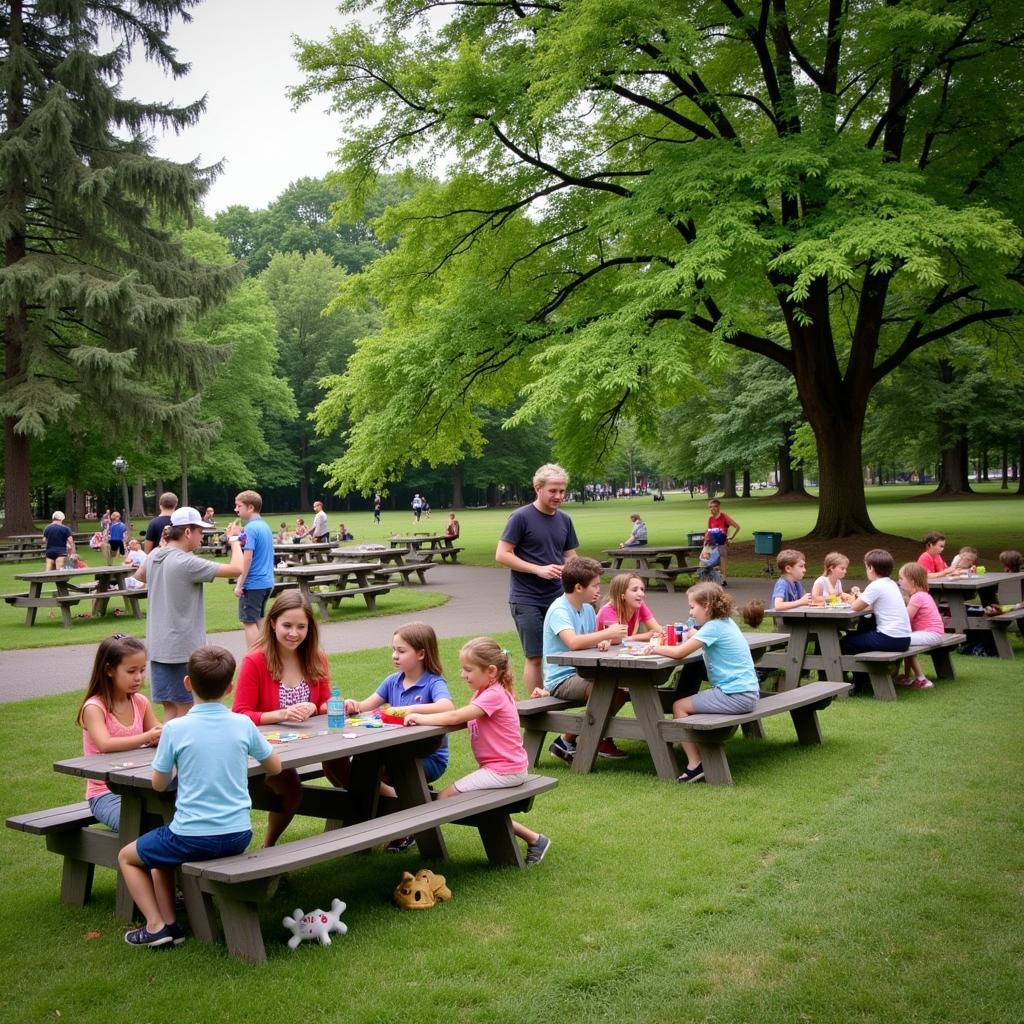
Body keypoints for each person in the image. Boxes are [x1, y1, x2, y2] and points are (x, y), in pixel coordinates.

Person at [117, 645, 281, 948]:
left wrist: (181, 767)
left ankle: (155, 925)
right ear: (230, 687)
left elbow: (157, 783)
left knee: (127, 856)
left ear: (188, 683)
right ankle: (169, 925)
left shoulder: (175, 729)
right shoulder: (242, 724)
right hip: (238, 834)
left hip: (191, 837)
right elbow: (275, 765)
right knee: (158, 852)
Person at [404, 638, 551, 865]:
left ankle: (427, 848)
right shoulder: (485, 692)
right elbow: (464, 719)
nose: (463, 675)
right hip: (503, 768)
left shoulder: (493, 695)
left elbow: (455, 716)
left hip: (505, 770)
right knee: (469, 804)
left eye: (468, 670)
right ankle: (535, 839)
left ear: (491, 671)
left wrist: (419, 718)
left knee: (444, 798)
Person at [233, 592, 344, 846]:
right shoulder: (255, 660)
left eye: (301, 627)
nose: (294, 633)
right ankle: (269, 847)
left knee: (344, 767)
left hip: (308, 743)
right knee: (292, 786)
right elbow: (240, 714)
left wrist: (336, 705)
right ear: (272, 624)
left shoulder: (316, 658)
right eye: (287, 625)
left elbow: (323, 702)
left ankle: (385, 820)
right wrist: (281, 714)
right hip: (264, 751)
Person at [344, 622, 455, 852]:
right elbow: (366, 706)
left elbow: (446, 705)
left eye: (401, 651)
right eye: (393, 650)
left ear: (422, 653)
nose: (395, 656)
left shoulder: (433, 682)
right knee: (360, 770)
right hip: (395, 752)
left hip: (428, 757)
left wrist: (408, 711)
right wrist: (353, 705)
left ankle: (405, 821)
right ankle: (398, 812)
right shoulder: (392, 681)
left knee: (370, 773)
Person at [641, 582, 761, 783]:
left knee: (679, 706)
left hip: (736, 696)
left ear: (706, 606)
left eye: (692, 607)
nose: (690, 612)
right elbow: (700, 637)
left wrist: (654, 649)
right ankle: (694, 756)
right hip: (748, 693)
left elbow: (680, 652)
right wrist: (692, 634)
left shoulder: (713, 627)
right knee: (687, 700)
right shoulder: (725, 622)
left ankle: (695, 764)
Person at [134, 507, 244, 720]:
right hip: (182, 649)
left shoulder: (157, 554)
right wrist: (234, 540)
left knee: (170, 709)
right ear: (187, 533)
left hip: (158, 646)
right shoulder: (186, 562)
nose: (202, 536)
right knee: (186, 710)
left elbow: (140, 575)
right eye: (200, 532)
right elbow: (237, 569)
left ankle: (171, 752)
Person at [495, 463, 580, 694]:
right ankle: (538, 710)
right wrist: (537, 569)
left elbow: (570, 556)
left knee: (559, 653)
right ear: (537, 488)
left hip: (557, 597)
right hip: (526, 598)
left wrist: (581, 576)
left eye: (562, 491)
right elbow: (502, 554)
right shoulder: (521, 517)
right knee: (534, 656)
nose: (558, 496)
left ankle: (556, 699)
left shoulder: (565, 520)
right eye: (553, 491)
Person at [542, 556, 630, 763]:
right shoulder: (559, 610)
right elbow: (573, 642)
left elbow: (587, 641)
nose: (599, 590)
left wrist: (602, 643)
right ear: (579, 587)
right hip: (562, 679)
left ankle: (577, 740)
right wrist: (606, 635)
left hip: (585, 672)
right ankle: (572, 740)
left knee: (620, 691)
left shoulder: (588, 609)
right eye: (595, 585)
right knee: (607, 692)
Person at [77, 634, 162, 831]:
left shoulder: (140, 702)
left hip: (141, 788)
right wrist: (147, 737)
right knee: (142, 828)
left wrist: (164, 734)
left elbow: (157, 731)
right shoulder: (94, 708)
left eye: (142, 670)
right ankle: (134, 860)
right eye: (131, 671)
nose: (139, 677)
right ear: (109, 670)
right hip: (105, 794)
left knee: (177, 819)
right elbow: (105, 744)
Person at [841, 549, 912, 689]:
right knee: (860, 636)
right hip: (904, 638)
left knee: (846, 642)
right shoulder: (891, 584)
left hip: (890, 638)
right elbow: (869, 605)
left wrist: (852, 599)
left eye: (866, 566)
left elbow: (856, 607)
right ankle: (862, 680)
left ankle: (856, 683)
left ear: (871, 568)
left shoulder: (876, 585)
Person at [234, 490, 275, 648]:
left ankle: (256, 657)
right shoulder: (264, 526)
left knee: (249, 622)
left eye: (239, 506)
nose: (236, 509)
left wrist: (239, 584)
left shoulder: (250, 529)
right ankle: (267, 655)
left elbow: (247, 557)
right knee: (259, 620)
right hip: (266, 582)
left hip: (253, 583)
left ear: (250, 507)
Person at [895, 562, 945, 689]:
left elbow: (905, 619)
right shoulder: (921, 595)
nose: (898, 581)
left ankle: (922, 680)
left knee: (902, 641)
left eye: (901, 578)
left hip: (931, 634)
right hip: (933, 633)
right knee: (906, 641)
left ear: (911, 581)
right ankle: (907, 676)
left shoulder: (917, 597)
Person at [596, 573, 662, 641]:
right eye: (634, 590)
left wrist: (632, 637)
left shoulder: (640, 605)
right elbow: (615, 640)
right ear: (622, 595)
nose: (641, 594)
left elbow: (659, 631)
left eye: (642, 589)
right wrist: (648, 634)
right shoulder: (608, 611)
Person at [704, 499, 740, 582]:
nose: (712, 509)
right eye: (710, 507)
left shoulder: (724, 517)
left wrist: (730, 537)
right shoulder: (710, 519)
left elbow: (737, 527)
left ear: (718, 507)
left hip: (721, 543)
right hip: (711, 544)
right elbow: (709, 531)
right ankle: (713, 578)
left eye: (714, 507)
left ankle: (723, 579)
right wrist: (706, 541)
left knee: (722, 561)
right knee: (708, 561)